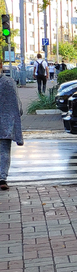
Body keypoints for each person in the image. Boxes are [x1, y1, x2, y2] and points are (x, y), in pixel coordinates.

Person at [0, 61, 24, 190]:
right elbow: (17, 105)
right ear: (1, 66)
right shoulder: (9, 82)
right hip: (5, 124)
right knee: (4, 151)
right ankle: (2, 178)